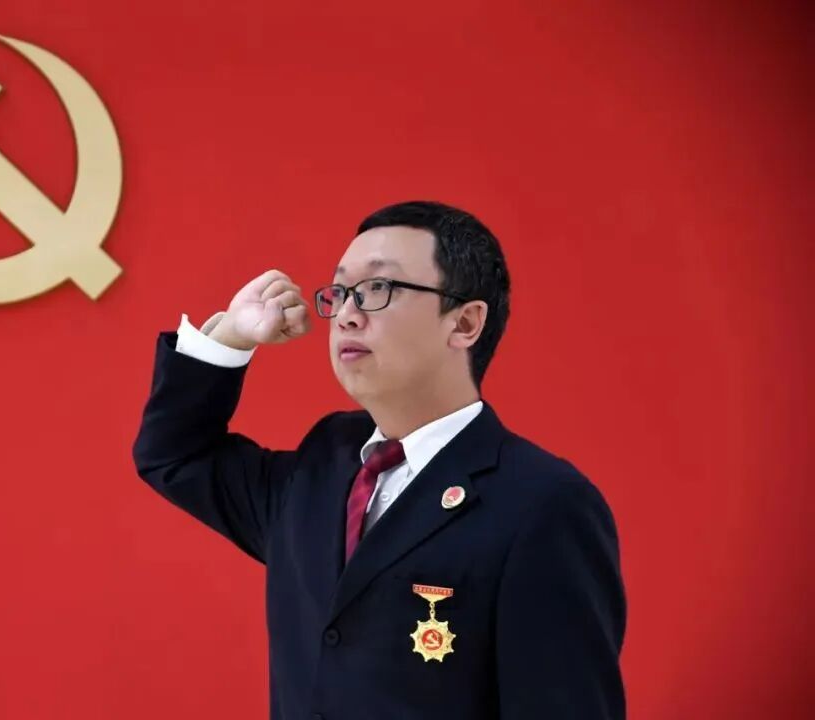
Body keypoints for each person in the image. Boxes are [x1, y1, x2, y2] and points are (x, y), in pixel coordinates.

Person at [132, 201, 626, 719]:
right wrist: (231, 337)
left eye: (378, 288)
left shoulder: (542, 504)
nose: (347, 313)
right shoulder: (323, 465)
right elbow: (175, 454)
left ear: (465, 322)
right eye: (341, 291)